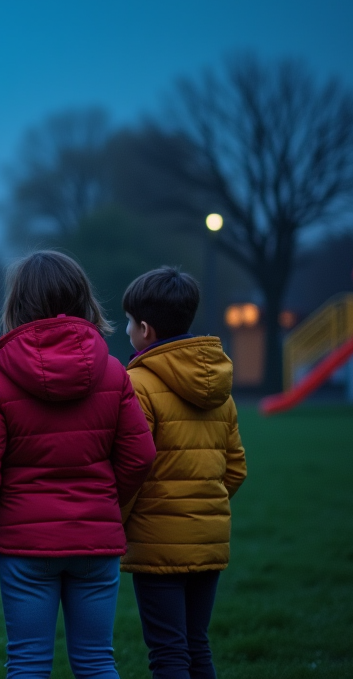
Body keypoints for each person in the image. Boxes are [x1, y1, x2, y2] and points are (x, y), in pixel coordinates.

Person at [0, 250, 157, 679]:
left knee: (28, 662)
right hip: (97, 536)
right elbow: (140, 456)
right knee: (96, 660)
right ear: (82, 297)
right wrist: (107, 502)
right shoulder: (112, 372)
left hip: (26, 542)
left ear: (17, 303)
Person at [121, 267, 247, 679]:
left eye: (128, 323)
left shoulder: (136, 384)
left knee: (168, 653)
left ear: (145, 329)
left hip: (157, 543)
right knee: (197, 645)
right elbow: (236, 468)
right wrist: (201, 505)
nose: (126, 332)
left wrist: (119, 520)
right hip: (208, 540)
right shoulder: (220, 385)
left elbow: (132, 464)